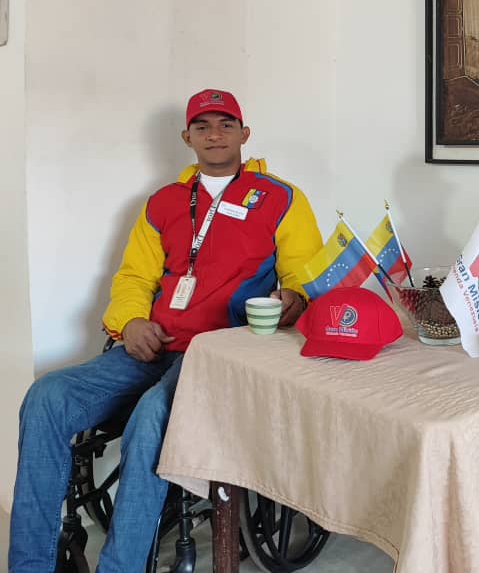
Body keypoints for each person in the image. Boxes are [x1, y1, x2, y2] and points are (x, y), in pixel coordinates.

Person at [9, 89, 323, 572]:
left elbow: (306, 273)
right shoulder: (164, 202)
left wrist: (295, 298)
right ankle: (30, 565)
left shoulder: (281, 198)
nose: (214, 134)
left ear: (244, 133)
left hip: (218, 354)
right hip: (151, 346)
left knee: (152, 417)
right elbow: (134, 277)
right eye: (202, 126)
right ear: (186, 137)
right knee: (46, 397)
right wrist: (131, 321)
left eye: (225, 124)